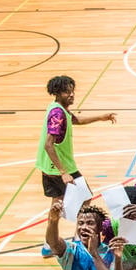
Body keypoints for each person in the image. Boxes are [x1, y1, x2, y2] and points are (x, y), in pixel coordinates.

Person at [36, 75, 116, 209]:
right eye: (67, 92)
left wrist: (101, 117)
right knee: (86, 198)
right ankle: (82, 229)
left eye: (72, 91)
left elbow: (76, 120)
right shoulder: (58, 114)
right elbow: (48, 144)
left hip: (48, 168)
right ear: (57, 93)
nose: (72, 95)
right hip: (59, 168)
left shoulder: (57, 108)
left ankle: (55, 228)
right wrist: (63, 172)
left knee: (56, 206)